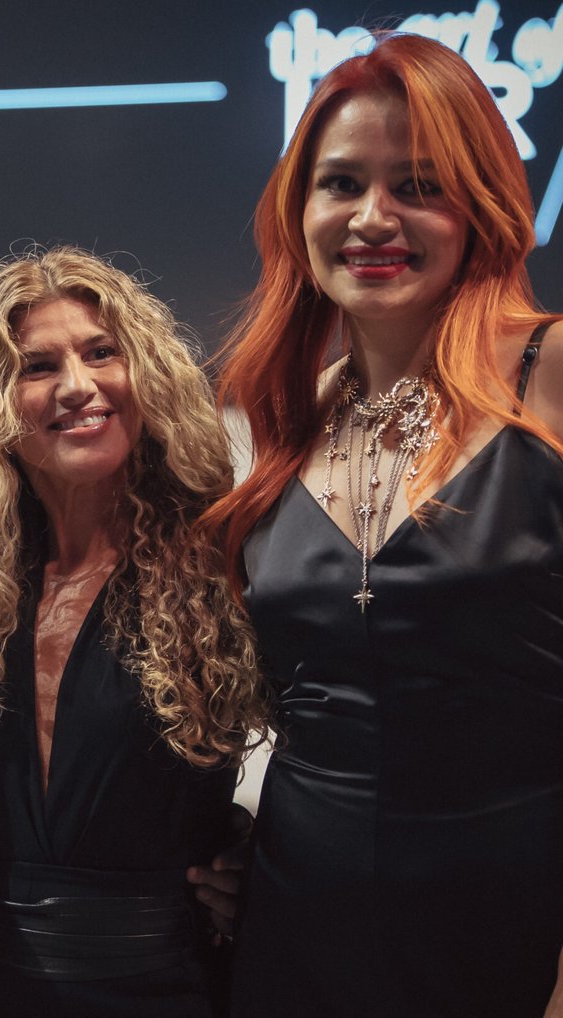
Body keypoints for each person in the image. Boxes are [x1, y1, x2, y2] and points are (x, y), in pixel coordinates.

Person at [207, 33, 563, 1016]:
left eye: (418, 185)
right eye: (341, 184)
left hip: (510, 942)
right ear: (299, 211)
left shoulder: (550, 376)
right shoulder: (292, 413)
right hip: (294, 940)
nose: (372, 217)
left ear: (481, 206)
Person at [0, 248, 267, 1016]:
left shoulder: (229, 562)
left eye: (102, 353)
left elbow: (348, 736)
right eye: (37, 366)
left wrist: (268, 859)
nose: (77, 385)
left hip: (165, 986)